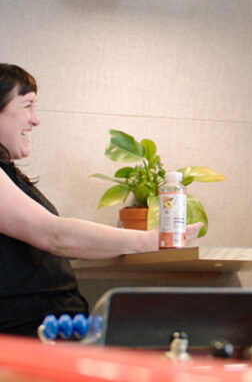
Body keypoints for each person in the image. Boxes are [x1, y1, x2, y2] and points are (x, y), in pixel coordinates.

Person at [0, 64, 203, 337]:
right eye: (27, 105)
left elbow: (65, 245)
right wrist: (148, 241)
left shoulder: (11, 175)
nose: (35, 120)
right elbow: (54, 236)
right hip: (26, 339)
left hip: (55, 329)